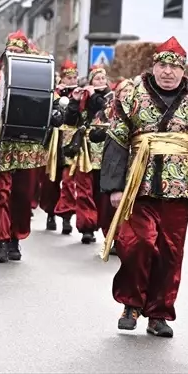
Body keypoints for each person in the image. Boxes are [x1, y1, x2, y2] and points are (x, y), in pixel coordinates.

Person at [98, 37, 188, 338]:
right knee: (137, 244)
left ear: (182, 71)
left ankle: (158, 313)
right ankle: (131, 304)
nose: (167, 72)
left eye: (174, 67)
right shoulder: (131, 98)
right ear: (153, 66)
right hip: (138, 188)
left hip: (178, 190)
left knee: (169, 252)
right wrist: (114, 186)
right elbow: (116, 143)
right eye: (162, 65)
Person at [0, 31, 52, 263]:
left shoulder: (40, 76)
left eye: (19, 51)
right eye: (11, 51)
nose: (14, 54)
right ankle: (0, 242)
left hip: (29, 146)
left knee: (23, 196)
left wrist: (59, 113)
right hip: (1, 143)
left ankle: (15, 238)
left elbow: (52, 100)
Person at [61, 64, 112, 245]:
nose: (100, 81)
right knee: (84, 189)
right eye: (96, 79)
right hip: (85, 149)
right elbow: (70, 120)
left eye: (102, 79)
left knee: (102, 192)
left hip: (104, 150)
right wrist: (75, 102)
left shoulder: (109, 97)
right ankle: (87, 228)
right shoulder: (83, 96)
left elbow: (106, 110)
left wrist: (94, 95)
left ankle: (106, 230)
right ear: (90, 81)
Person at [41, 60, 80, 233]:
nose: (71, 80)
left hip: (71, 138)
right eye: (68, 77)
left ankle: (66, 216)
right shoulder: (54, 92)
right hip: (55, 137)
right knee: (51, 179)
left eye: (74, 77)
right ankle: (50, 213)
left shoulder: (81, 93)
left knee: (69, 179)